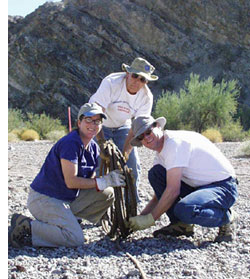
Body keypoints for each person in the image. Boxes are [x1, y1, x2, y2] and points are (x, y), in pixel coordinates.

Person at [9, 103, 126, 248]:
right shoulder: (70, 143)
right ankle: (27, 226)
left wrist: (105, 181)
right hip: (45, 198)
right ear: (79, 122)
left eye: (97, 121)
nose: (93, 124)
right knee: (75, 239)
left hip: (65, 198)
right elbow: (71, 182)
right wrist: (103, 181)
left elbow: (87, 182)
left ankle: (69, 222)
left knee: (107, 193)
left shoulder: (93, 147)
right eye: (88, 120)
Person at [128, 115, 238, 243]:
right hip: (199, 186)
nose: (146, 138)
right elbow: (159, 196)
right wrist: (139, 218)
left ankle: (226, 217)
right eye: (141, 137)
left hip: (223, 186)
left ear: (157, 126)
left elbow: (173, 190)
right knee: (156, 174)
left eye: (148, 132)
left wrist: (150, 219)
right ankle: (182, 225)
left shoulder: (174, 143)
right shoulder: (160, 154)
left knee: (185, 209)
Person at [89, 57, 158, 199]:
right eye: (135, 76)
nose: (137, 81)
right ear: (127, 73)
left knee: (133, 164)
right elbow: (96, 115)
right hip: (99, 124)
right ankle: (93, 203)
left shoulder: (146, 97)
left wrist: (126, 153)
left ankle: (132, 203)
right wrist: (102, 143)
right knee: (95, 161)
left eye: (142, 80)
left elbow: (137, 127)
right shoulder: (111, 82)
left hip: (123, 126)